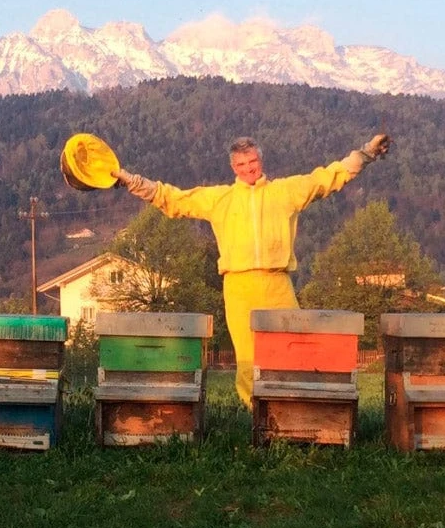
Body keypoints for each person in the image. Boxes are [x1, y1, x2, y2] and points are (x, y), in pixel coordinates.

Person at [114, 133, 391, 407]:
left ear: (261, 160)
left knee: (293, 351)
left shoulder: (285, 191)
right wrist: (131, 180)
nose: (249, 168)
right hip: (238, 286)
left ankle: (292, 410)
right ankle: (255, 417)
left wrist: (368, 152)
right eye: (242, 164)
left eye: (253, 161)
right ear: (233, 168)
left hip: (278, 283)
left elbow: (330, 176)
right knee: (247, 359)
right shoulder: (219, 198)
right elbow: (171, 198)